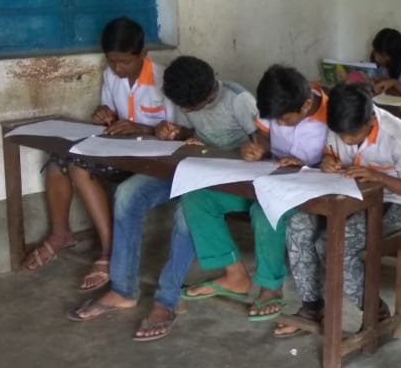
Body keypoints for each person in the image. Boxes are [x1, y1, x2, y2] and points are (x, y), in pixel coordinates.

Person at [67, 57, 260, 340]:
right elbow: (197, 132)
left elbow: (264, 147)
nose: (188, 111)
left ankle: (165, 300)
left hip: (231, 179)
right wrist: (179, 133)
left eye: (192, 108)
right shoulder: (187, 96)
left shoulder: (239, 100)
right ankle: (122, 290)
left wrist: (234, 152)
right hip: (194, 165)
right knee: (127, 194)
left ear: (209, 92)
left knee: (186, 213)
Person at [22, 16, 169, 291]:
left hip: (154, 160)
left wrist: (144, 128)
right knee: (57, 159)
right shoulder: (110, 76)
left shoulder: (163, 80)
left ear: (143, 53)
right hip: (120, 151)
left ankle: (109, 251)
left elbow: (175, 131)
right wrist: (105, 115)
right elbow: (109, 114)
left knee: (79, 166)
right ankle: (60, 234)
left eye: (125, 62)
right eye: (112, 61)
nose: (118, 68)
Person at [276, 83, 401, 337]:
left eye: (353, 135)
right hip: (348, 197)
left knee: (335, 244)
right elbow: (330, 151)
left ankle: (374, 313)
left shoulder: (398, 137)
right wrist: (328, 161)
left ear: (370, 120)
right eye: (341, 134)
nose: (346, 140)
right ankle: (312, 307)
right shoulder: (339, 122)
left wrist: (378, 177)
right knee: (298, 223)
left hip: (396, 203)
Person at [180, 65, 327, 320]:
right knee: (196, 196)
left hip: (305, 192)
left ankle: (271, 287)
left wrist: (309, 165)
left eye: (284, 119)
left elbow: (343, 160)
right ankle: (235, 275)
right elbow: (263, 137)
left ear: (305, 106)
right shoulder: (276, 105)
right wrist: (257, 149)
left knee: (264, 211)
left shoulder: (332, 115)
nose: (279, 124)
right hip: (265, 181)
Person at [369, 27, 401, 95]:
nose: (376, 58)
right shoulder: (379, 67)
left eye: (383, 56)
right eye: (375, 52)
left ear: (394, 56)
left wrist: (394, 83)